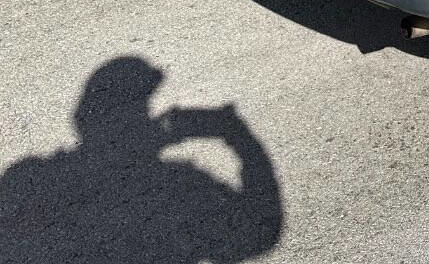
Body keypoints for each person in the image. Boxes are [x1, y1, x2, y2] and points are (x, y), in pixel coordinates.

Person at [0, 57, 282, 264]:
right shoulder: (179, 185)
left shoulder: (31, 177)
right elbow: (261, 234)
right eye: (144, 108)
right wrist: (235, 133)